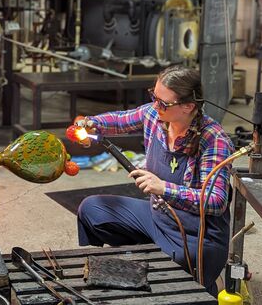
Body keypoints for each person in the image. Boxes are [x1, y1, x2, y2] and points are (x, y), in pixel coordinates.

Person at [74, 65, 234, 296]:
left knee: (179, 266)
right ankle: (149, 251)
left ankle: (206, 281)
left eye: (163, 103)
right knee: (92, 210)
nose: (155, 105)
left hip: (195, 234)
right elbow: (120, 121)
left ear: (188, 106)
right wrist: (88, 124)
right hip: (157, 216)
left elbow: (216, 201)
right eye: (154, 96)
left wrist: (163, 188)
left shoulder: (214, 139)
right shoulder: (154, 115)